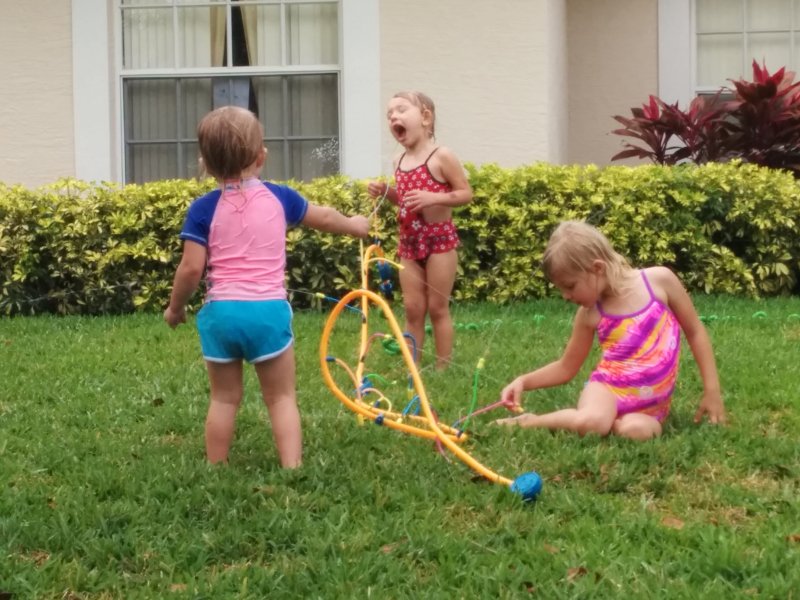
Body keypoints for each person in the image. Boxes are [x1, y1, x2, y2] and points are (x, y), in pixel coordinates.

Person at [164, 106, 369, 467]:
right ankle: (292, 467)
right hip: (268, 314)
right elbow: (324, 217)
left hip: (221, 315)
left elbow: (191, 268)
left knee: (224, 398)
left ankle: (216, 465)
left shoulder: (202, 209)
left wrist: (175, 308)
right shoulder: (280, 197)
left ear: (206, 164)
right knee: (281, 398)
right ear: (261, 157)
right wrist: (355, 225)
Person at [496, 221, 725, 440]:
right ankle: (530, 421)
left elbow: (695, 331)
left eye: (570, 286)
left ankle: (613, 423)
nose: (565, 296)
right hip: (607, 390)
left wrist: (712, 390)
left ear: (597, 268)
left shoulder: (659, 281)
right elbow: (566, 367)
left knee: (638, 432)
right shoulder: (590, 314)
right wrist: (523, 381)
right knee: (592, 422)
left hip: (651, 407)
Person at [367, 91, 473, 370]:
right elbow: (405, 199)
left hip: (439, 240)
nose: (393, 117)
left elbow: (465, 194)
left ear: (425, 117)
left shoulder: (442, 156)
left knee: (437, 308)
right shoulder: (399, 161)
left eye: (401, 110)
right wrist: (386, 191)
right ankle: (412, 367)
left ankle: (442, 367)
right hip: (409, 243)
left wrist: (433, 197)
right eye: (389, 114)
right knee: (413, 309)